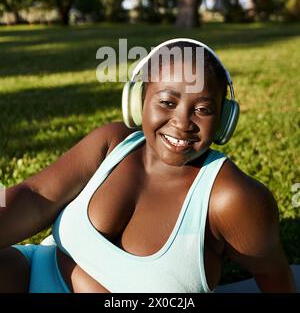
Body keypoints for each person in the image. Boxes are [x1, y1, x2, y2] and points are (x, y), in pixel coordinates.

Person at [0, 38, 296, 293]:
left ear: (224, 120)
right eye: (167, 102)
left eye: (203, 110)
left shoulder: (231, 198)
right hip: (30, 274)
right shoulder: (112, 142)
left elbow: (274, 275)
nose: (182, 123)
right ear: (137, 101)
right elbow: (33, 193)